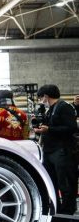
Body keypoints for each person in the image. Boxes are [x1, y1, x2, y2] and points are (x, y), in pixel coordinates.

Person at [33, 84, 78, 215]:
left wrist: (49, 129)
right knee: (52, 182)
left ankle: (68, 212)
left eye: (41, 98)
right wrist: (41, 127)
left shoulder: (64, 107)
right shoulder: (51, 109)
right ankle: (56, 210)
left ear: (46, 96)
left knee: (66, 184)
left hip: (62, 151)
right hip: (50, 151)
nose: (41, 101)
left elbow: (72, 128)